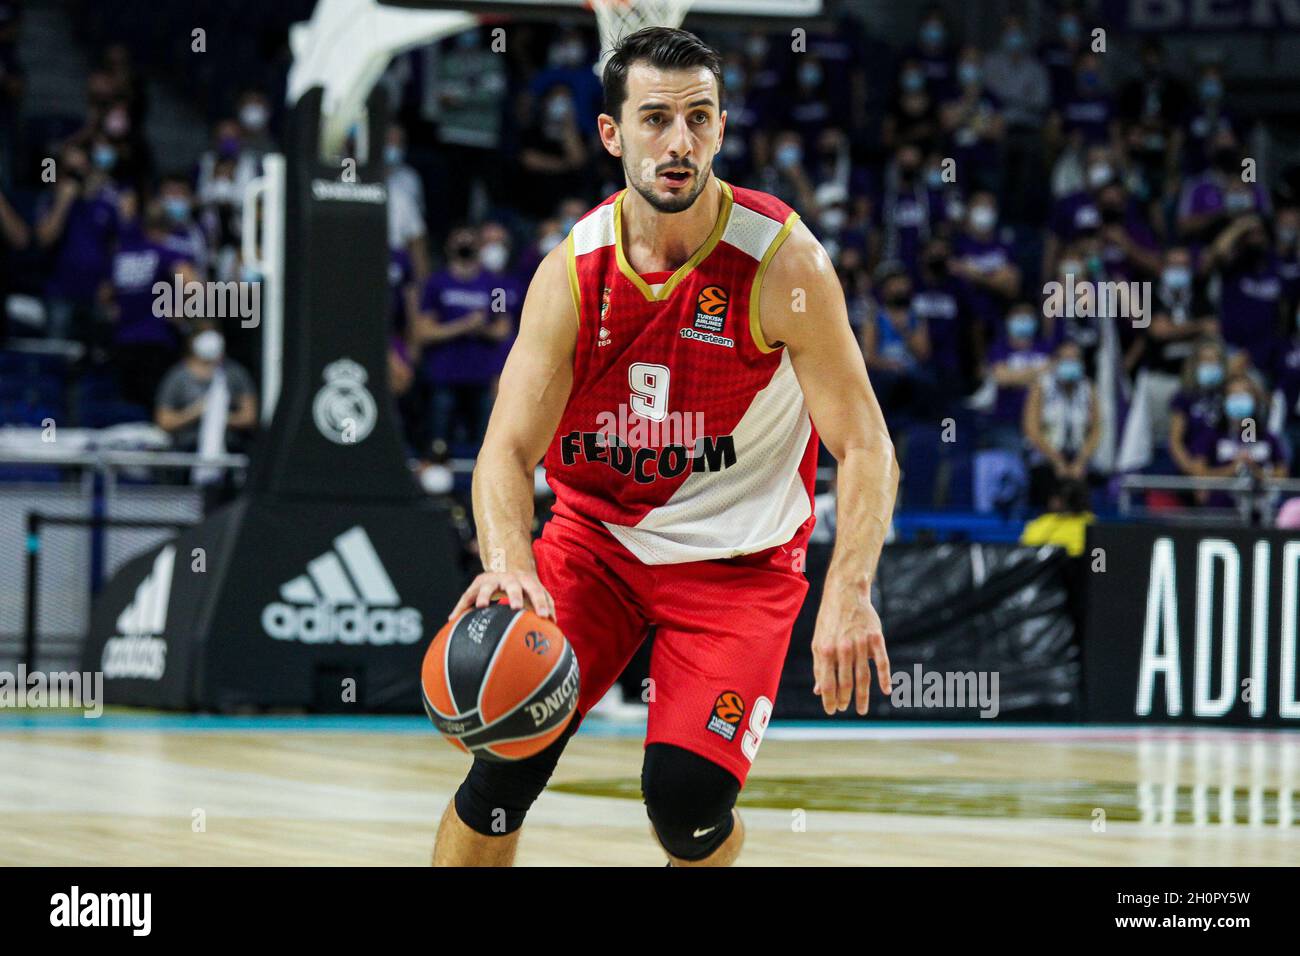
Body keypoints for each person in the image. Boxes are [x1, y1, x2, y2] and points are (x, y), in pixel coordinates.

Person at [434, 28, 896, 868]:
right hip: (595, 544)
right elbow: (504, 450)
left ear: (720, 130)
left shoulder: (783, 262)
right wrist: (509, 560)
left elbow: (865, 442)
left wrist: (851, 588)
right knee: (504, 761)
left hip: (739, 564)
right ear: (612, 135)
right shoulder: (572, 272)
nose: (678, 141)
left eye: (698, 118)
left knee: (686, 804)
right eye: (654, 119)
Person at [154, 323, 257, 492]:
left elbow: (250, 417)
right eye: (204, 334)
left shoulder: (235, 374)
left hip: (228, 451)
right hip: (188, 452)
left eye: (214, 333)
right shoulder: (177, 377)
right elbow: (164, 421)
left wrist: (218, 416)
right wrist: (196, 412)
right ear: (192, 341)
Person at [1189, 374, 1287, 509]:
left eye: (1244, 395)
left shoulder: (1267, 438)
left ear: (1254, 400)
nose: (1239, 400)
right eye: (1234, 395)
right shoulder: (1210, 435)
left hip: (1261, 513)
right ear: (1224, 400)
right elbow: (1199, 475)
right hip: (1219, 512)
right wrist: (1233, 468)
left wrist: (1255, 470)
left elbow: (1282, 477)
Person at [1022, 340, 1101, 508]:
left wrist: (1080, 462)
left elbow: (1096, 430)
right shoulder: (1041, 386)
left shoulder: (1088, 388)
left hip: (1078, 459)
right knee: (1047, 486)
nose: (1071, 364)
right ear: (1055, 362)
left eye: (1075, 359)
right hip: (1045, 459)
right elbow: (1031, 429)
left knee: (1084, 488)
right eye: (1066, 359)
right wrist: (1057, 461)